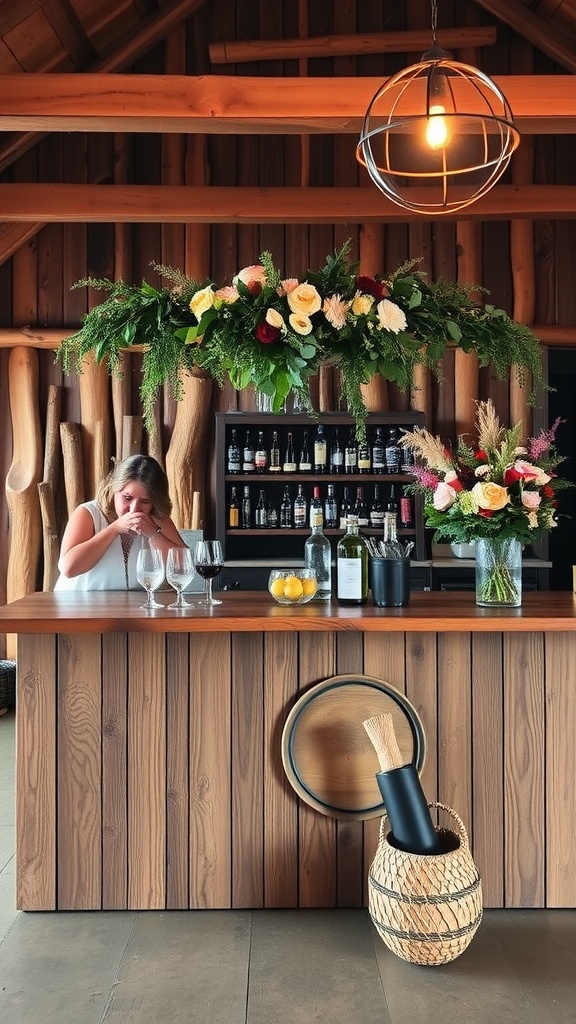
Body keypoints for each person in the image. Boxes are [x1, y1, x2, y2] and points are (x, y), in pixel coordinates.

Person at [54, 454, 186, 591]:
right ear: (114, 489)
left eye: (145, 501)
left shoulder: (157, 518)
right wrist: (115, 529)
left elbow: (183, 568)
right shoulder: (88, 513)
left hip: (128, 610)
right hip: (76, 607)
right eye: (127, 498)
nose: (134, 509)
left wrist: (153, 533)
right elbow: (69, 568)